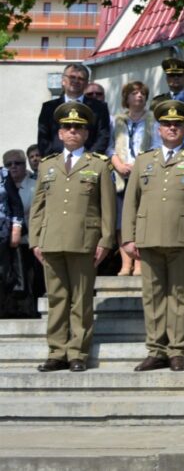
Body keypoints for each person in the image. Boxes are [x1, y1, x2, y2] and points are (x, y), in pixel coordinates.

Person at [122, 100, 184, 371]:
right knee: (152, 296)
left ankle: (176, 349)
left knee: (181, 295)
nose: (172, 128)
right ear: (159, 128)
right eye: (167, 124)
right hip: (149, 237)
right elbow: (131, 201)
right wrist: (128, 237)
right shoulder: (144, 160)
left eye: (178, 124)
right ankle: (156, 349)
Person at [27, 103, 114, 372]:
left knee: (81, 300)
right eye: (67, 127)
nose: (73, 131)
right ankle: (56, 351)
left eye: (78, 127)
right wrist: (35, 240)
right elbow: (38, 206)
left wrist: (106, 241)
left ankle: (77, 352)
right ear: (60, 133)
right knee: (57, 299)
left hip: (84, 242)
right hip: (51, 240)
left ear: (86, 134)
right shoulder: (47, 165)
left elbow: (108, 208)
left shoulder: (98, 165)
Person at [110, 81, 154, 276]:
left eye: (142, 93)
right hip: (121, 176)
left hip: (145, 175)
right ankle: (125, 264)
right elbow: (109, 147)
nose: (139, 96)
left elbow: (158, 146)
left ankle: (140, 264)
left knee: (142, 220)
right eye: (134, 93)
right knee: (122, 221)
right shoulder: (116, 120)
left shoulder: (153, 120)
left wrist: (141, 164)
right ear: (126, 97)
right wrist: (119, 165)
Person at [37, 63, 112, 156]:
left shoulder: (99, 108)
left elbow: (103, 137)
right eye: (72, 77)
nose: (76, 81)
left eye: (81, 78)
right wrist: (56, 160)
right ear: (63, 80)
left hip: (88, 163)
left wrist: (88, 159)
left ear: (86, 84)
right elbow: (43, 139)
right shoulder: (49, 108)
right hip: (56, 163)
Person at [1, 150, 31, 318]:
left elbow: (16, 205)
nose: (13, 167)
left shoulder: (4, 176)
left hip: (8, 234)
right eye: (10, 164)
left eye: (17, 163)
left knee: (8, 274)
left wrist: (16, 228)